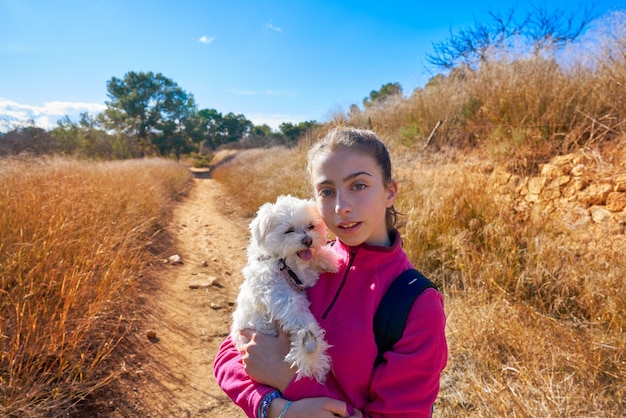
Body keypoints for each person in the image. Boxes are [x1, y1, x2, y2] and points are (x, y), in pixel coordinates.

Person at [213, 127, 448, 418]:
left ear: (390, 192)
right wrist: (273, 408)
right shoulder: (301, 261)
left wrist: (289, 382)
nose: (341, 206)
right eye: (326, 191)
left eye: (358, 185)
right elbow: (229, 354)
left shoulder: (416, 305)